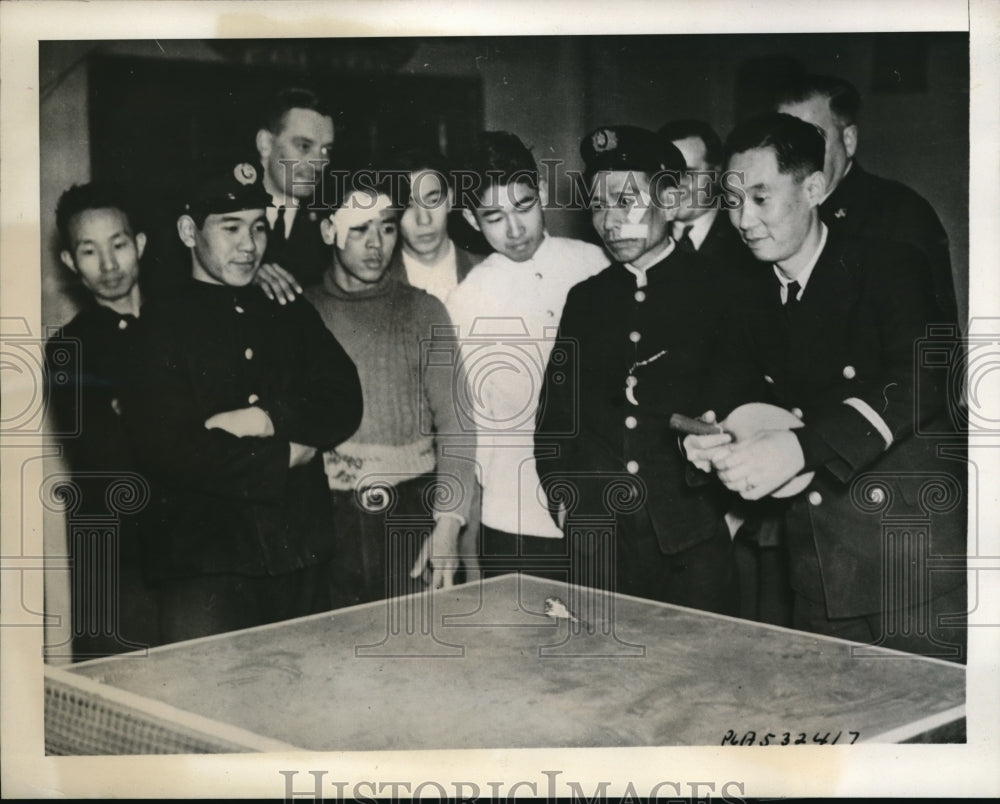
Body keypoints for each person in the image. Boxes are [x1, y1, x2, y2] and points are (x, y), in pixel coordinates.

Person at [684, 113, 966, 659]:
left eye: (761, 199)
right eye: (733, 199)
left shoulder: (889, 266)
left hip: (910, 567)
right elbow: (722, 393)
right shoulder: (747, 294)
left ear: (813, 188)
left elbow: (927, 377)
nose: (742, 220)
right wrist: (704, 439)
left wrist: (800, 446)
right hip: (817, 571)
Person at [122, 158, 362, 643]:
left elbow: (344, 397)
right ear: (190, 231)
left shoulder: (285, 308)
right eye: (230, 228)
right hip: (205, 563)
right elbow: (167, 449)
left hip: (299, 553)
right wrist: (283, 456)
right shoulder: (160, 327)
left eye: (258, 227)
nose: (249, 245)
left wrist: (265, 418)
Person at [534, 125, 741, 613]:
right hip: (598, 540)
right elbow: (556, 412)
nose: (610, 220)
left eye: (626, 201)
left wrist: (730, 515)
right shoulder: (587, 300)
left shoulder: (720, 293)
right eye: (600, 205)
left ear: (669, 203)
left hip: (688, 538)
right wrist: (564, 494)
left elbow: (744, 407)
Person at [304, 170, 476, 606]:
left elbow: (457, 424)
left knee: (414, 658)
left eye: (385, 227)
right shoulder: (298, 313)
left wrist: (449, 524)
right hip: (324, 517)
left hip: (413, 514)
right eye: (359, 229)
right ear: (329, 230)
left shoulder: (423, 311)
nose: (376, 244)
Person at [446, 131, 608, 579]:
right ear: (471, 219)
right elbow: (470, 426)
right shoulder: (468, 300)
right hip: (514, 516)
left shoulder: (593, 264)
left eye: (524, 207)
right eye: (494, 216)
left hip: (598, 510)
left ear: (540, 195)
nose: (515, 230)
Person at [660, 118, 790, 623]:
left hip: (757, 476)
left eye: (691, 172)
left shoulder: (755, 250)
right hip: (684, 474)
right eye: (667, 175)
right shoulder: (643, 248)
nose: (678, 188)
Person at [45, 182, 160, 658]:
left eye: (118, 245)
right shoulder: (69, 349)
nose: (109, 266)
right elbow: (104, 456)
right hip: (115, 550)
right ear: (72, 263)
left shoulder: (185, 322)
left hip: (193, 544)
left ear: (140, 244)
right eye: (90, 252)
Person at [773, 73, 957, 321]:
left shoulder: (901, 212)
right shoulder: (770, 216)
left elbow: (933, 342)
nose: (797, 157)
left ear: (848, 141)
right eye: (785, 143)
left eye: (812, 138)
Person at [253, 87, 336, 299]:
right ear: (266, 144)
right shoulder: (222, 211)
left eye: (326, 150)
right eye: (304, 146)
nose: (318, 164)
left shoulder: (332, 222)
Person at [386, 146, 484, 303]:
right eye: (407, 205)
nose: (424, 219)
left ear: (450, 199)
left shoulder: (490, 271)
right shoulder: (375, 285)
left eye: (433, 201)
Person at [658, 118, 754, 274]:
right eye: (667, 174)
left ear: (716, 174)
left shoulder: (746, 238)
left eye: (688, 173)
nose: (676, 184)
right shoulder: (648, 237)